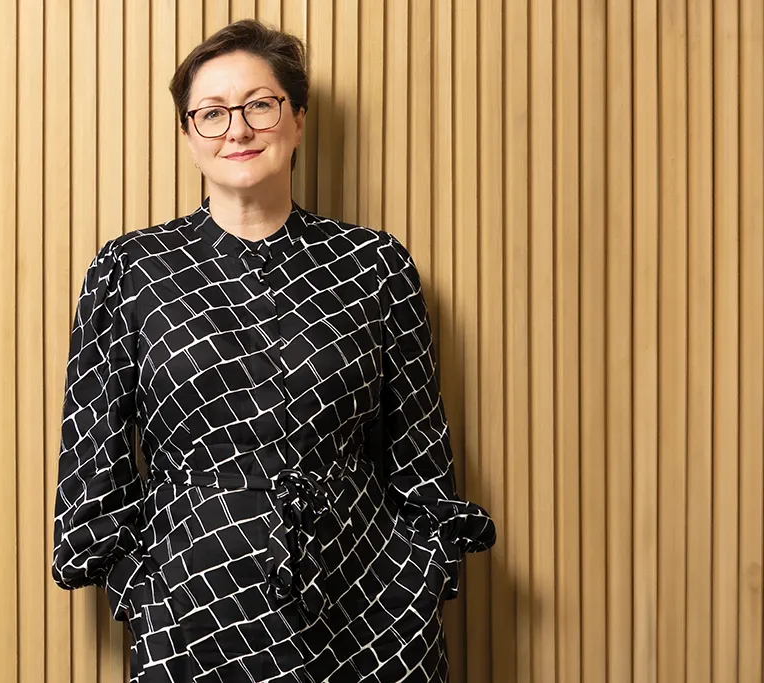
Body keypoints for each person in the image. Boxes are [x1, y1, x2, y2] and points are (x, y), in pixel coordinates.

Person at [51, 18, 496, 683]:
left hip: (369, 611)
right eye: (211, 113)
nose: (237, 129)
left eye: (260, 105)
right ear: (187, 134)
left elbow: (421, 455)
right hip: (194, 612)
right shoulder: (130, 271)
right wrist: (147, 589)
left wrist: (419, 578)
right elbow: (93, 468)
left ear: (298, 120)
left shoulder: (374, 265)